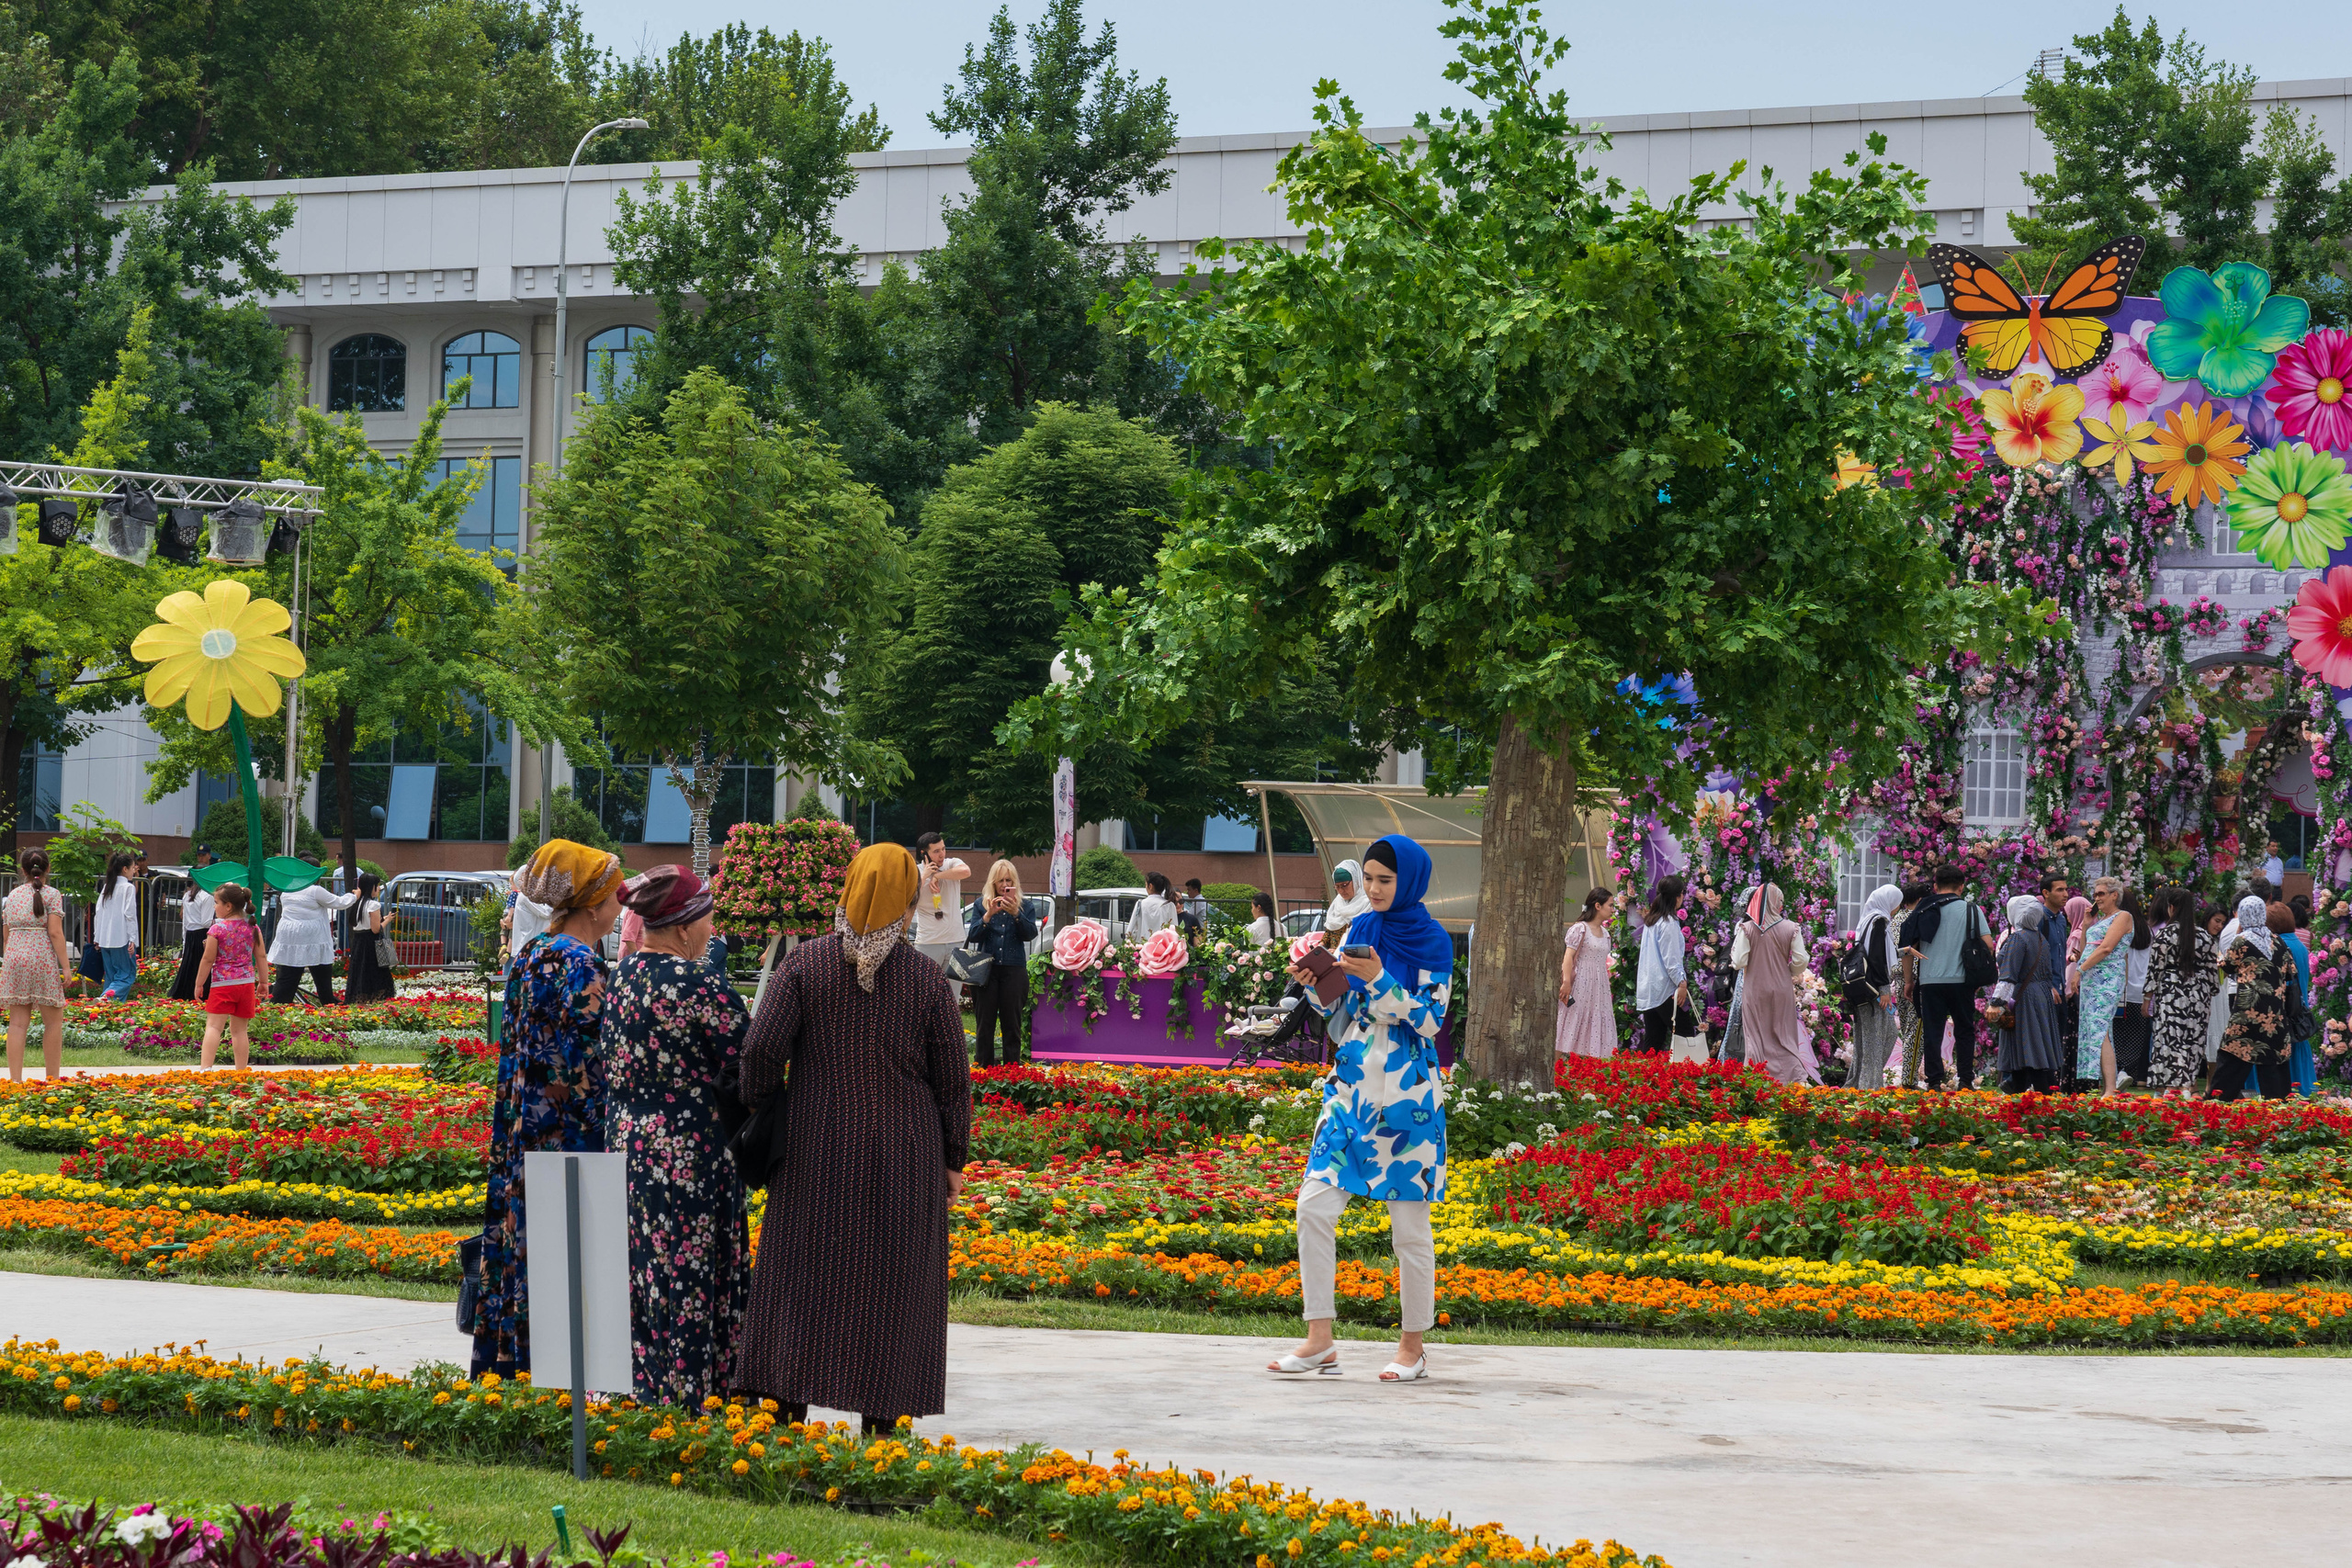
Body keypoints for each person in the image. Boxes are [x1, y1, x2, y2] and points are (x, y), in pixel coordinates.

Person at [733, 842, 970, 1431]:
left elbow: (761, 1049)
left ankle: (785, 1413)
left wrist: (766, 1102)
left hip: (816, 1149)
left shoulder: (804, 966)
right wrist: (953, 1157)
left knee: (805, 1277)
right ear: (909, 899)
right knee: (893, 1282)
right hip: (904, 1157)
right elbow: (952, 1081)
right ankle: (882, 1428)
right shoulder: (924, 981)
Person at [1269, 833, 1450, 1384]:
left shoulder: (1435, 941)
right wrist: (1318, 986)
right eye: (1367, 878)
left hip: (1408, 1097)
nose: (1372, 889)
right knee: (1312, 1207)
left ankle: (1412, 1347)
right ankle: (1320, 1340)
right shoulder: (1363, 928)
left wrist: (1379, 978)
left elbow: (1431, 1022)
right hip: (1349, 1085)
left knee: (1409, 1230)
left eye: (1383, 881)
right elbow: (1344, 1013)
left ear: (1410, 881)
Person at [471, 839, 626, 1379]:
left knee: (525, 1239)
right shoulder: (582, 965)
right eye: (614, 897)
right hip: (567, 1131)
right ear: (592, 905)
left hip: (523, 1124)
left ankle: (514, 1361)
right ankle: (558, 1370)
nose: (621, 906)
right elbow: (595, 1060)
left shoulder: (533, 952)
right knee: (564, 1247)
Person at [601, 864, 751, 1406]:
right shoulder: (697, 986)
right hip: (687, 1149)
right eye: (709, 917)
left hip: (628, 1143)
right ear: (686, 925)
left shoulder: (621, 977)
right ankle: (695, 1396)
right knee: (690, 1271)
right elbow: (749, 1066)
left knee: (643, 1268)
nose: (713, 928)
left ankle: (647, 1388)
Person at [1904, 865, 1995, 1090]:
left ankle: (1934, 1081)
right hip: (1962, 981)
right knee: (1964, 1030)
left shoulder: (1924, 909)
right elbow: (1989, 945)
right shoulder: (1972, 910)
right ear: (1961, 886)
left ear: (1935, 886)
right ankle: (1965, 1080)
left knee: (1933, 1031)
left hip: (1930, 981)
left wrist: (1908, 981)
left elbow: (1906, 948)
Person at [2211, 897, 2296, 1101]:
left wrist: (2217, 955)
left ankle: (2218, 1102)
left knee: (2233, 1054)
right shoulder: (2278, 941)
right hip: (2274, 1012)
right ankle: (2278, 1107)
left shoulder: (2242, 940)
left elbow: (2227, 966)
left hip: (2247, 1010)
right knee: (2273, 1058)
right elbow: (2290, 972)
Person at [1733, 884, 1817, 1086]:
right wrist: (1788, 970)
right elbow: (1800, 961)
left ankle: (1757, 1080)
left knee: (1756, 1036)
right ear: (1776, 903)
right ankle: (1794, 1079)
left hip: (1755, 989)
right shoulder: (1791, 927)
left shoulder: (1747, 928)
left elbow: (1738, 961)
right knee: (1784, 1036)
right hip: (1782, 989)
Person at [1, 849, 70, 1082]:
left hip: (14, 956)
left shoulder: (13, 895)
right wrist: (67, 968)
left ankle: (16, 1082)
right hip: (41, 957)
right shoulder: (52, 894)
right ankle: (52, 1080)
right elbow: (55, 932)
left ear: (23, 870)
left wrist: (10, 959)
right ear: (47, 868)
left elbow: (6, 933)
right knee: (53, 1023)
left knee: (18, 1024)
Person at [965, 860, 1038, 1067]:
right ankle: (984, 1071)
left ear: (1014, 882)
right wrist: (988, 915)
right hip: (985, 971)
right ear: (993, 883)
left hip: (1014, 971)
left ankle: (1012, 1072)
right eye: (1000, 881)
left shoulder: (1026, 906)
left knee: (1011, 1024)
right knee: (984, 1024)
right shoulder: (981, 905)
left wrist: (1016, 913)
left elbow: (1030, 934)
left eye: (1008, 880)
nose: (1004, 885)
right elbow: (974, 936)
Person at [2143, 888, 2214, 1099]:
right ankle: (2188, 1086)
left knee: (2167, 1040)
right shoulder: (2204, 935)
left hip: (2171, 992)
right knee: (2193, 1041)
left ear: (2171, 908)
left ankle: (2163, 1089)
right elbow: (2212, 973)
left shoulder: (2164, 935)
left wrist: (2147, 999)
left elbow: (2155, 968)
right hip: (2199, 994)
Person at [1992, 896, 2064, 1093]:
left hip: (2024, 998)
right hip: (2041, 995)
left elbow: (2008, 974)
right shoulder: (2040, 938)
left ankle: (2042, 1096)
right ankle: (2021, 1094)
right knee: (2030, 1046)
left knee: (2028, 1047)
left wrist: (1997, 1002)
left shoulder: (2017, 938)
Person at [194, 885, 266, 1069]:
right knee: (240, 1030)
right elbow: (261, 956)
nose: (214, 906)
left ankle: (205, 1069)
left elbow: (208, 959)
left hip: (223, 984)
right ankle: (241, 1071)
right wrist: (264, 982)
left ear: (228, 906)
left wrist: (199, 983)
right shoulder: (253, 926)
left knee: (213, 1027)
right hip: (246, 984)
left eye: (216, 903)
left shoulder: (217, 929)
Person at [2075, 876, 2132, 1095]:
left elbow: (2107, 948)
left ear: (2114, 895)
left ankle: (2109, 1089)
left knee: (2100, 1030)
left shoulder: (2123, 916)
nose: (2097, 898)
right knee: (2098, 1030)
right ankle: (2107, 1087)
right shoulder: (2100, 920)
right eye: (2096, 894)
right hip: (2091, 979)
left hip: (2107, 977)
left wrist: (2079, 971)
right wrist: (2086, 925)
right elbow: (2085, 950)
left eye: (2101, 894)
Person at [268, 864, 356, 1004]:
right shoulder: (315, 891)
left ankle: (277, 1007)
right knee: (322, 976)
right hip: (313, 938)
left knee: (287, 977)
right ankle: (328, 1005)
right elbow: (339, 903)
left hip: (289, 937)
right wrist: (353, 896)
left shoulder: (288, 889)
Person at [1847, 885, 1903, 1089]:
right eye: (1897, 904)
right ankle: (1868, 1085)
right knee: (1876, 1037)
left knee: (1875, 1036)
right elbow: (1877, 957)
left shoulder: (1868, 919)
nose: (1897, 908)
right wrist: (1885, 990)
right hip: (1876, 990)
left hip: (1864, 987)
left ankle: (1862, 1081)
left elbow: (1877, 952)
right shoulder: (1879, 921)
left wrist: (1905, 951)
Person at [1555, 886, 1618, 1060]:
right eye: (1610, 905)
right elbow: (1568, 956)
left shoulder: (1605, 934)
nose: (1613, 909)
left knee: (1593, 1027)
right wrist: (1566, 982)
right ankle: (1550, 1072)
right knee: (1569, 1023)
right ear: (1598, 906)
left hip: (1599, 987)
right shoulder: (1580, 929)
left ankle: (1584, 1075)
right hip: (1581, 983)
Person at [1632, 876, 1689, 1055]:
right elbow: (1671, 960)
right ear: (1678, 896)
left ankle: (1644, 1081)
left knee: (1653, 1040)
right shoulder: (1668, 923)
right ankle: (1685, 1079)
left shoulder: (1652, 920)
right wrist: (1682, 983)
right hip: (1664, 988)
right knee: (1685, 1034)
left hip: (1650, 987)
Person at [908, 831, 971, 968]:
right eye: (936, 851)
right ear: (924, 853)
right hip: (928, 941)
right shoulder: (915, 872)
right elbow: (908, 899)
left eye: (943, 848)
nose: (942, 854)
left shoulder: (951, 863)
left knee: (954, 989)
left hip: (956, 940)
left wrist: (938, 876)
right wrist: (925, 877)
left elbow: (966, 871)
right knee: (925, 989)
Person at [91, 851, 142, 1000]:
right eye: (133, 867)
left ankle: (107, 1011)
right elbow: (130, 914)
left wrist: (97, 936)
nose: (134, 870)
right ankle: (106, 998)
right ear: (125, 869)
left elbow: (98, 911)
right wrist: (132, 938)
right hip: (122, 939)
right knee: (126, 975)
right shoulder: (128, 887)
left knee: (112, 976)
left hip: (105, 939)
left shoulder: (108, 886)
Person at [168, 847, 218, 1000]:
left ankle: (187, 994)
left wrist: (185, 939)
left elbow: (186, 921)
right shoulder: (207, 895)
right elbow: (205, 921)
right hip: (202, 934)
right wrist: (218, 922)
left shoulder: (188, 894)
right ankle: (204, 994)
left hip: (190, 934)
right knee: (203, 967)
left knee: (189, 967)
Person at [1894, 882, 1930, 1087]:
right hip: (1913, 980)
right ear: (1919, 901)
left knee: (1909, 1030)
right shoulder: (1913, 918)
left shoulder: (1896, 918)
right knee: (1915, 1031)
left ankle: (1908, 1077)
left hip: (1899, 980)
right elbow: (1907, 950)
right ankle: (1908, 1079)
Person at [342, 873, 397, 1002]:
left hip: (359, 942)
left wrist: (383, 918)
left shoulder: (357, 903)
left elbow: (362, 923)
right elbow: (375, 929)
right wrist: (387, 920)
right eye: (376, 886)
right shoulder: (373, 905)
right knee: (377, 975)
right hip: (371, 943)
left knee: (360, 973)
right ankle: (375, 1001)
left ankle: (362, 1001)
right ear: (370, 887)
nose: (378, 889)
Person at [2282, 900, 2317, 1097]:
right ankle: (2305, 1089)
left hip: (2287, 1008)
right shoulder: (2300, 944)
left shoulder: (2282, 944)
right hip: (2299, 1007)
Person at [1322, 861, 1370, 943]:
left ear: (1356, 881)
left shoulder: (1368, 906)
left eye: (1344, 885)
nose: (1341, 891)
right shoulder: (1336, 904)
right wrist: (1321, 945)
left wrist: (1339, 950)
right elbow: (1328, 934)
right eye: (1337, 887)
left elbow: (1366, 940)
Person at [1131, 873, 1181, 941]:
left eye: (1146, 885)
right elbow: (1174, 930)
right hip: (1164, 947)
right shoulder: (1169, 905)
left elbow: (1132, 927)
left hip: (1143, 947)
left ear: (1150, 886)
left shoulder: (1140, 904)